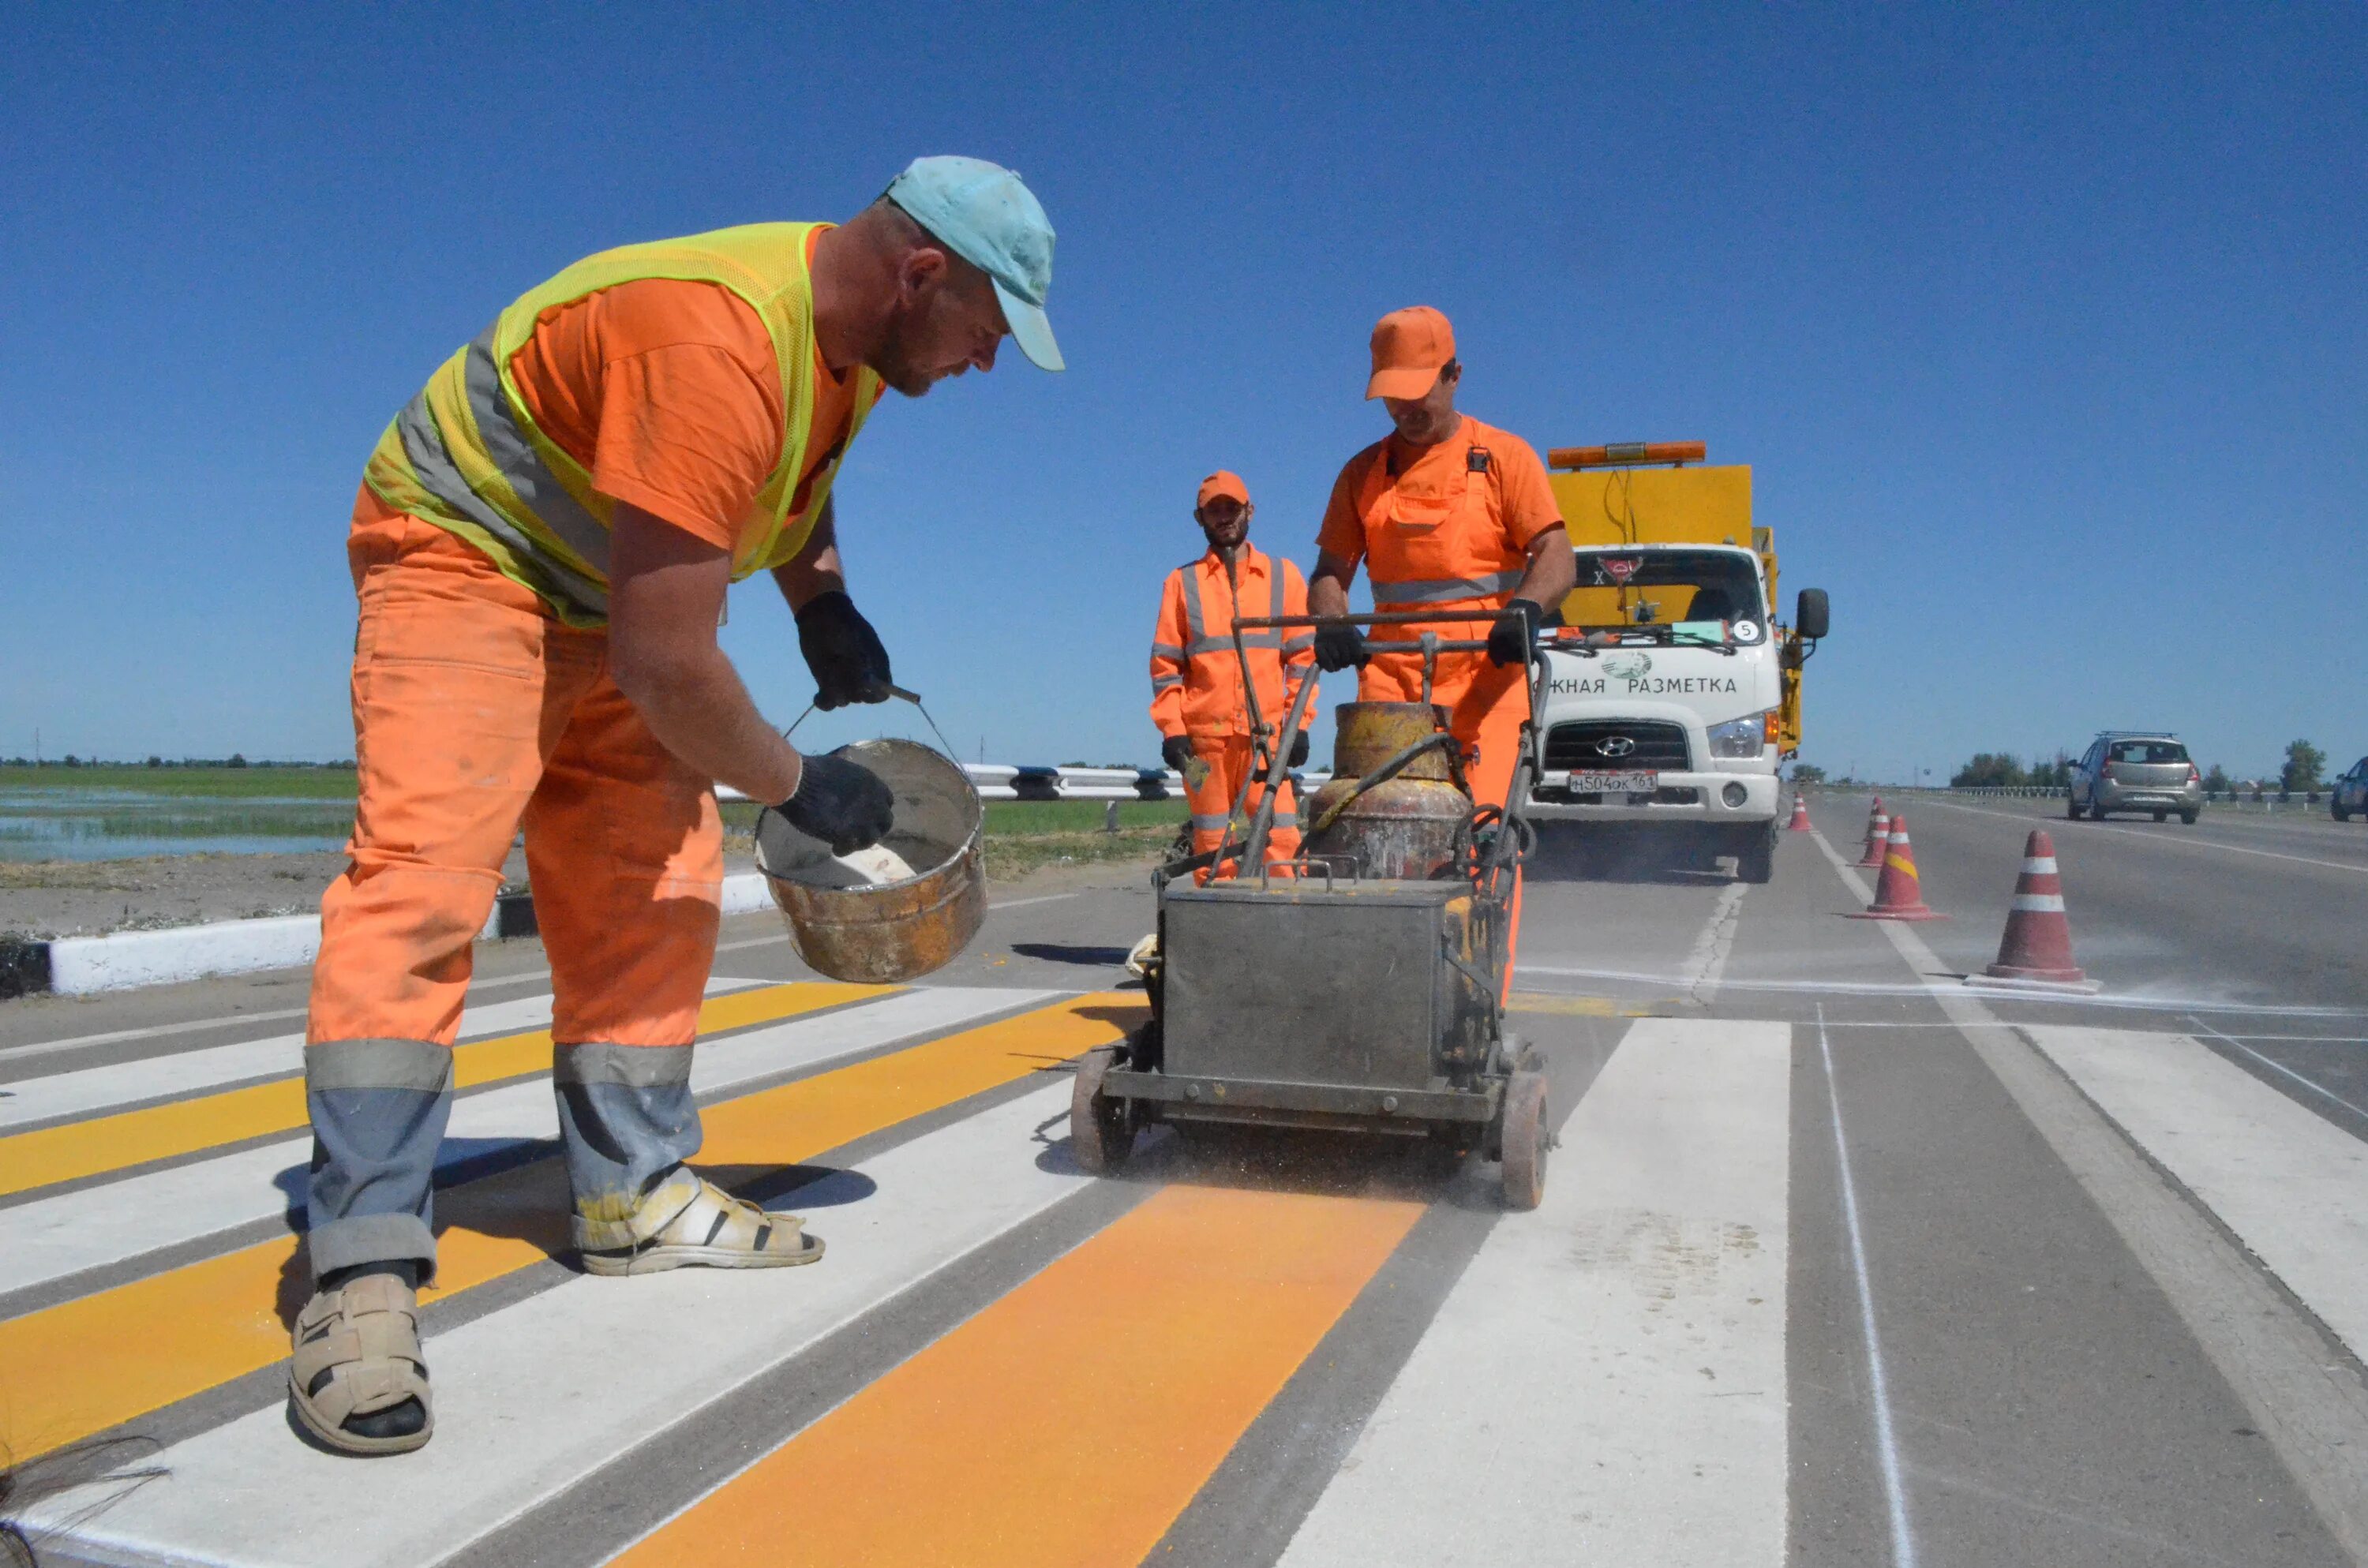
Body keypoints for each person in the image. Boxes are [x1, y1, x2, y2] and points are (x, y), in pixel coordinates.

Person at [290, 156, 1063, 1456]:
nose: (985, 364)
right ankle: (361, 1270)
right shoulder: (712, 337)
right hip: (469, 555)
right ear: (923, 272)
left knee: (656, 887)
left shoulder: (857, 353)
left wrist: (823, 605)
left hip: (608, 589)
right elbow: (669, 664)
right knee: (425, 882)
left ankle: (630, 1198)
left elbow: (784, 489)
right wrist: (801, 780)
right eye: (988, 334)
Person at [1306, 306, 1573, 938]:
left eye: (1418, 392)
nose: (1405, 409)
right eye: (1392, 397)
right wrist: (1332, 620)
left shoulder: (1505, 458)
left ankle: (1476, 1012)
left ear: (1454, 375)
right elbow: (1328, 573)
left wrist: (1526, 610)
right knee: (1374, 836)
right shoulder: (1362, 474)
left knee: (1480, 845)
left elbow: (1557, 558)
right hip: (1392, 691)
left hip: (1489, 680)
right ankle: (1388, 991)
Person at [1148, 472, 1315, 881]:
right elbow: (1166, 667)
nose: (1224, 517)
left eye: (1232, 508)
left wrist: (1299, 725)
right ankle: (1217, 930)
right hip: (1203, 744)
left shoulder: (1284, 575)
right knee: (1211, 845)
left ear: (1250, 512)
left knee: (1282, 839)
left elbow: (1303, 661)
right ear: (1199, 518)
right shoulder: (1180, 583)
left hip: (1267, 739)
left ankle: (1287, 928)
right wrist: (1172, 731)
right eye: (1214, 510)